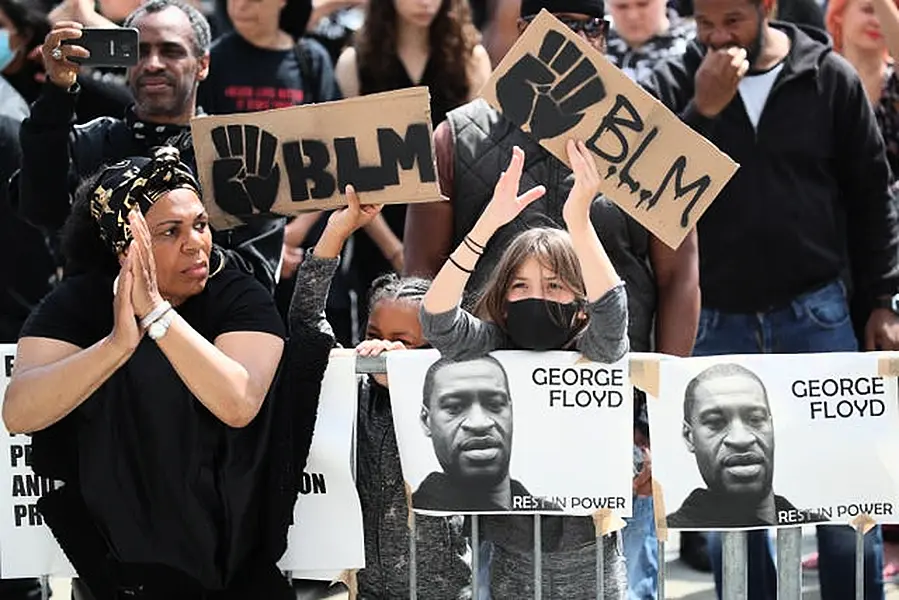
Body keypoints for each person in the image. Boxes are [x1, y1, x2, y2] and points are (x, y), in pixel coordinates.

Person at [402, 1, 702, 595]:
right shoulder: (458, 134)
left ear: (605, 35)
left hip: (617, 422)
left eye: (588, 25)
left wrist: (657, 423)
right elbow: (422, 275)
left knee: (622, 581)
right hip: (488, 428)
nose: (573, 39)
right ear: (524, 33)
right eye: (556, 25)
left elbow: (679, 280)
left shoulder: (650, 139)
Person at [640, 0, 899, 593]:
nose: (716, 37)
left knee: (844, 490)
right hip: (716, 323)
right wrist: (699, 113)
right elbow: (647, 188)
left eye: (732, 21)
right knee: (734, 508)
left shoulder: (827, 76)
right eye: (704, 24)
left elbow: (871, 197)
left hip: (817, 313)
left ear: (768, 9)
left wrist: (882, 299)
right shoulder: (679, 77)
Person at [2, 147, 295, 598]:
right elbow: (19, 412)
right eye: (170, 231)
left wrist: (158, 317)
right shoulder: (79, 301)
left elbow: (239, 402)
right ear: (124, 247)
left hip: (236, 563)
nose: (195, 242)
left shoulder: (238, 294)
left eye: (200, 224)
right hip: (117, 572)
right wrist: (117, 346)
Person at [420, 143, 628, 598]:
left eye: (554, 286)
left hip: (590, 559)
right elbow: (436, 319)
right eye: (521, 286)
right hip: (512, 559)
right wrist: (487, 224)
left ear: (579, 304)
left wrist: (579, 220)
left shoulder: (592, 349)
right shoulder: (494, 346)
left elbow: (613, 313)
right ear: (503, 297)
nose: (537, 296)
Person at [14, 0, 283, 293]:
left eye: (171, 51)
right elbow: (40, 209)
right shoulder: (90, 142)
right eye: (139, 52)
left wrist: (167, 254)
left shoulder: (240, 152)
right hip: (100, 332)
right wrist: (57, 92)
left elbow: (258, 273)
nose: (153, 64)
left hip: (207, 334)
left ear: (202, 64)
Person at [288, 187, 471, 599]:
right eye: (374, 336)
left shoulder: (453, 395)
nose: (383, 349)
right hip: (364, 587)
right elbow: (306, 325)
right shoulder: (353, 391)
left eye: (402, 341)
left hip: (441, 591)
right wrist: (336, 230)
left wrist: (407, 385)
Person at [332, 0, 492, 339]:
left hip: (450, 228)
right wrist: (395, 250)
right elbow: (349, 170)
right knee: (377, 347)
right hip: (376, 227)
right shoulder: (355, 62)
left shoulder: (470, 58)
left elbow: (480, 154)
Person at [667, 363, 826, 528]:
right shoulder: (667, 534)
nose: (741, 439)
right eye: (715, 422)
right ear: (689, 436)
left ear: (772, 427)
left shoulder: (824, 528)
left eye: (756, 419)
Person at [413, 356, 539, 512]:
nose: (479, 423)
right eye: (454, 407)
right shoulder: (402, 514)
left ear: (511, 412)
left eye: (494, 405)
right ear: (426, 420)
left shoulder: (556, 519)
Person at [826, 0, 899, 177]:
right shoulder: (820, 78)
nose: (877, 21)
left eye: (883, 14)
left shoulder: (894, 82)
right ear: (839, 15)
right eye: (868, 10)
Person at [605, 0, 697, 83]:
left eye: (643, 4)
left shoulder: (693, 46)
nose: (633, 16)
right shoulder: (594, 43)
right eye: (622, 7)